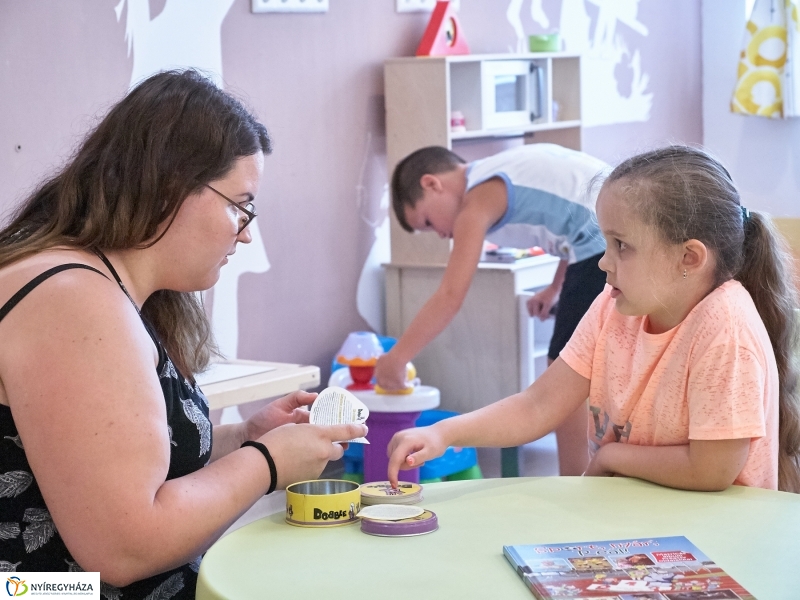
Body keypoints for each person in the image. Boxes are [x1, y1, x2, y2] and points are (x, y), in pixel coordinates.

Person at [0, 70, 366, 596]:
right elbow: (125, 548)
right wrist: (267, 464)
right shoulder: (75, 301)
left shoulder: (90, 282)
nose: (246, 233)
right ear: (173, 185)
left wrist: (246, 437)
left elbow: (108, 460)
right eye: (241, 206)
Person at [386, 145, 800, 494]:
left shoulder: (725, 326)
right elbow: (538, 404)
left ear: (688, 258)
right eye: (606, 242)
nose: (604, 261)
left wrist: (612, 456)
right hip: (643, 532)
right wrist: (444, 433)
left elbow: (712, 469)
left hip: (714, 550)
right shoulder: (613, 306)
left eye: (622, 245)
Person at [375, 143, 609, 475]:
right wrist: (555, 287)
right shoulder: (496, 173)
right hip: (605, 234)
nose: (441, 234)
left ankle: (574, 479)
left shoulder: (478, 199)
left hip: (603, 242)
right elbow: (571, 220)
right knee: (578, 365)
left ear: (432, 183)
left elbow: (451, 294)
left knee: (564, 369)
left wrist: (397, 357)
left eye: (428, 221)